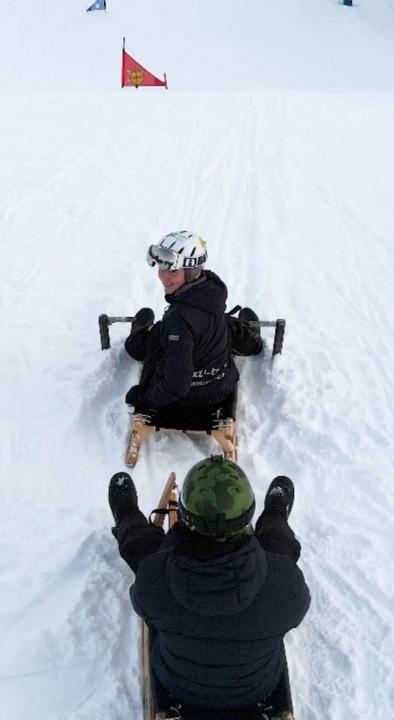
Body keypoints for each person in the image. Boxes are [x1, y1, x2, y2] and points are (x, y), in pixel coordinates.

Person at [108, 456, 311, 714]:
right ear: (247, 517)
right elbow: (296, 608)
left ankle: (127, 517)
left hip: (180, 685)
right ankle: (274, 514)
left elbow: (142, 603)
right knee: (278, 543)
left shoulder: (154, 578)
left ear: (183, 514)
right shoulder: (284, 585)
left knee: (142, 548)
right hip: (256, 688)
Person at [124, 230, 263, 415]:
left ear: (191, 272)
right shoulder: (212, 292)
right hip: (221, 386)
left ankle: (141, 334)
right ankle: (250, 341)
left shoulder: (178, 322)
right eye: (161, 268)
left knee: (154, 337)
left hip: (188, 399)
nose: (163, 277)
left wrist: (145, 399)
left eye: (172, 270)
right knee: (221, 323)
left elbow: (177, 386)